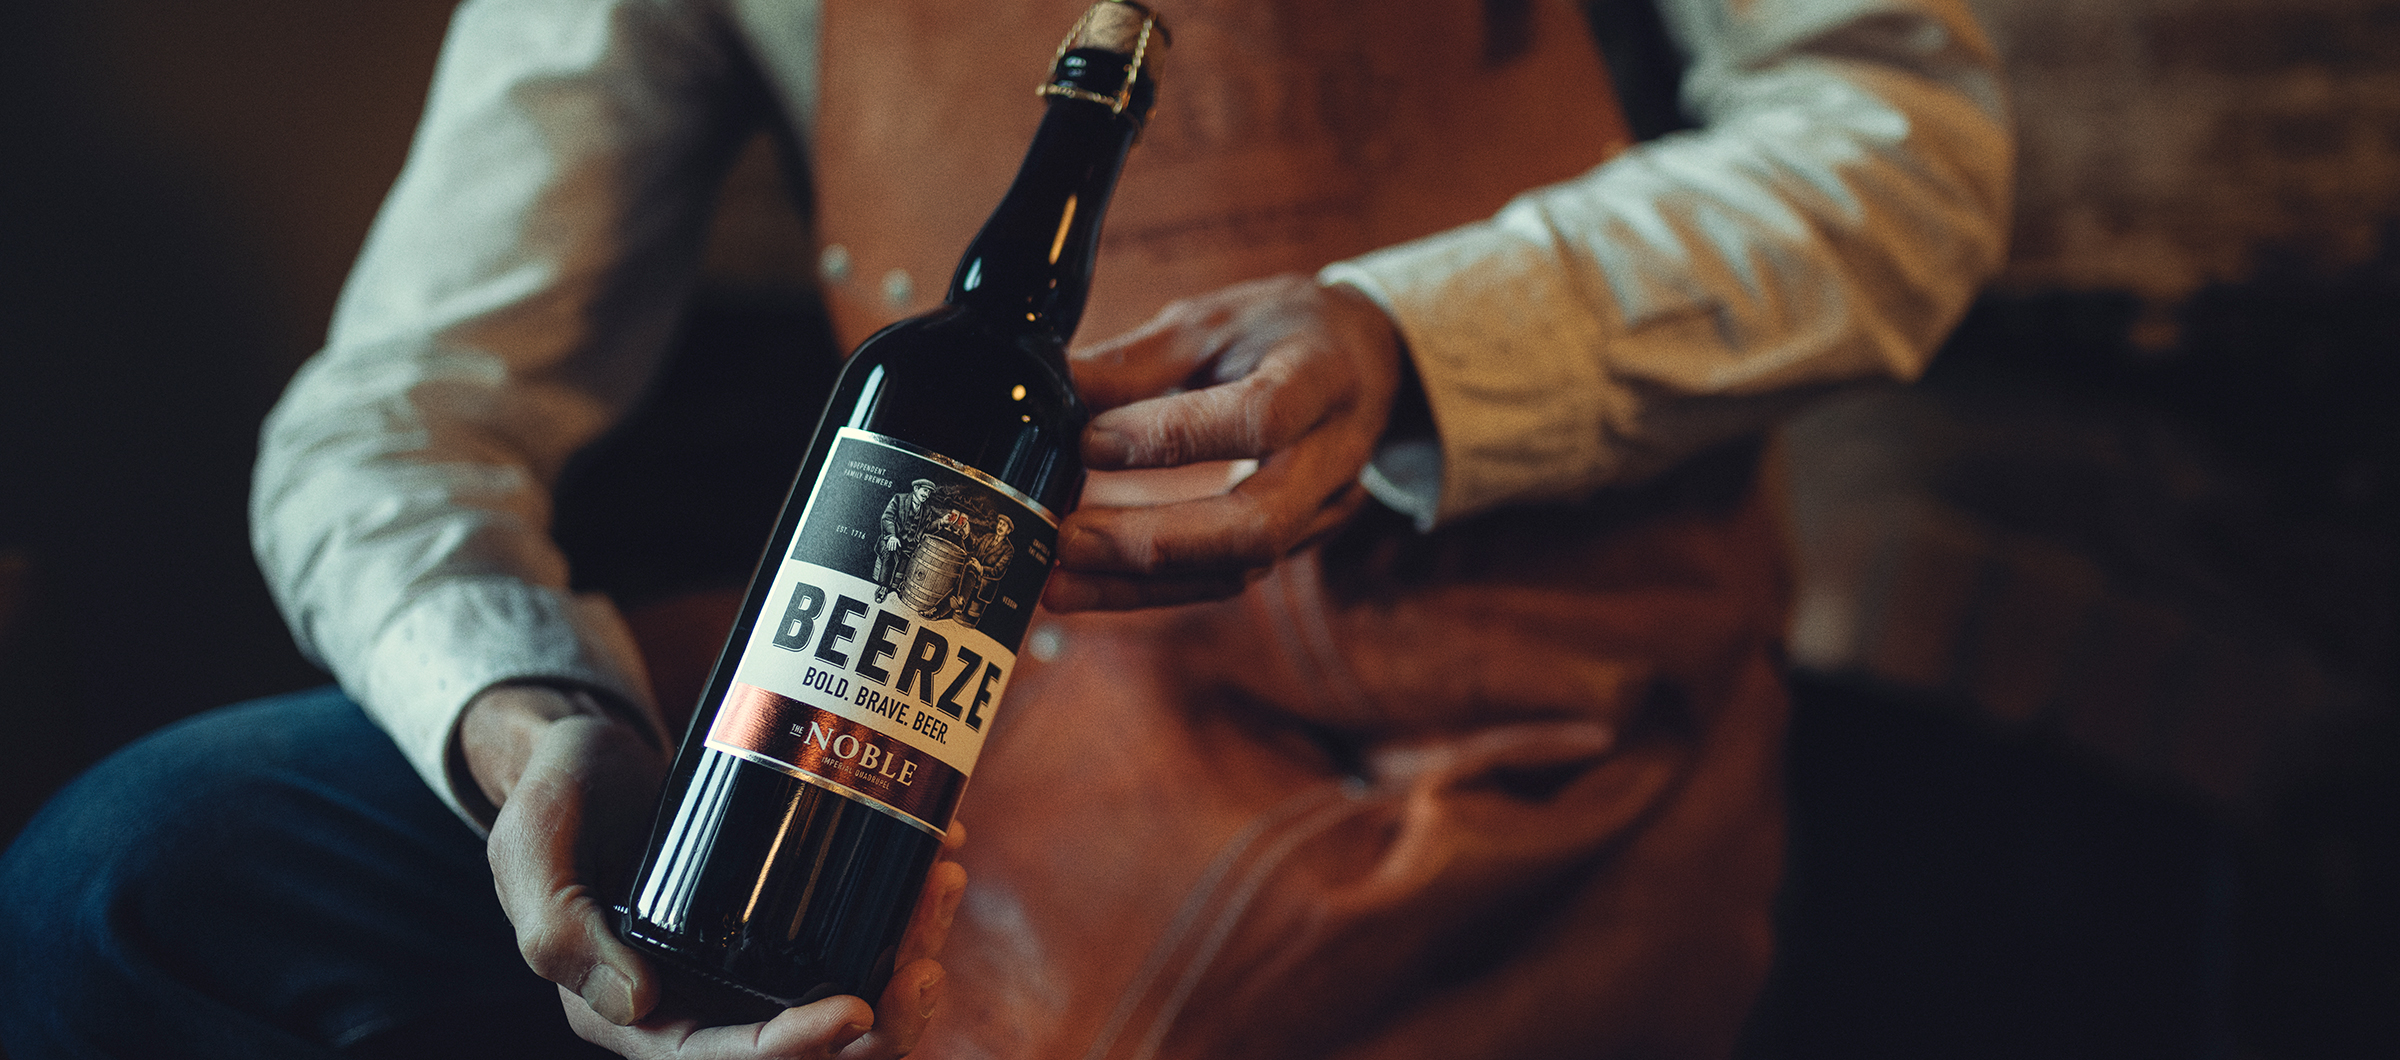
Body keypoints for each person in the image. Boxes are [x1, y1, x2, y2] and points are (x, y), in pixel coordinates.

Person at [0, 0, 2009, 1058]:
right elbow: (387, 415)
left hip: (1478, 734)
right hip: (966, 713)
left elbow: (1909, 155)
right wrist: (531, 725)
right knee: (133, 879)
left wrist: (1409, 342)